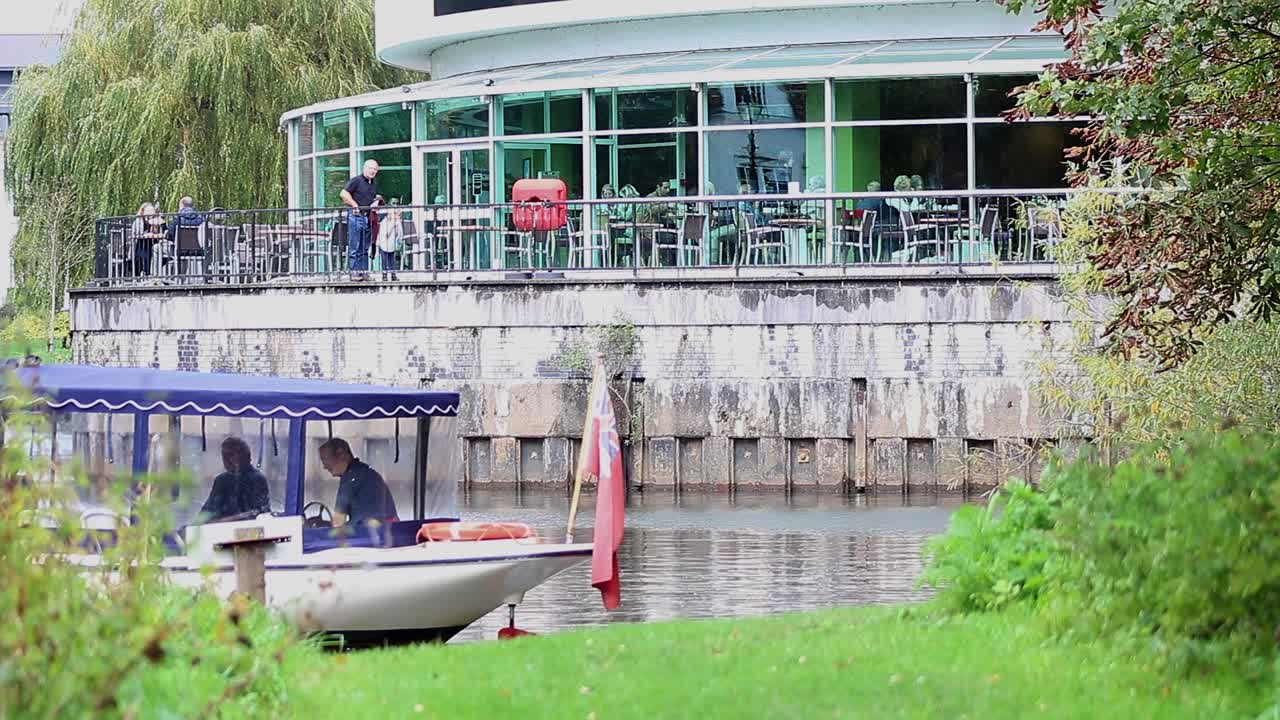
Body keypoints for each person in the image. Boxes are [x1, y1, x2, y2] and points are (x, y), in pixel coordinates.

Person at [318, 438, 397, 528]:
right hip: (388, 531)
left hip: (371, 535)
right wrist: (325, 524)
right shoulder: (363, 472)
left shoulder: (351, 477)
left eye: (324, 459)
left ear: (341, 454)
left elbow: (338, 522)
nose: (324, 466)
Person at [198, 437, 271, 523]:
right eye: (225, 456)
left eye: (233, 455)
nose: (229, 460)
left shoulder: (257, 479)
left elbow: (259, 513)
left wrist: (224, 520)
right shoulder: (221, 480)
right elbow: (208, 510)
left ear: (247, 457)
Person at [340, 159, 380, 282]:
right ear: (365, 168)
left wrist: (376, 201)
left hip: (367, 216)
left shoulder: (372, 184)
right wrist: (354, 205)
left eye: (375, 169)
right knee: (355, 245)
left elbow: (371, 198)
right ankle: (354, 273)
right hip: (356, 216)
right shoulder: (357, 180)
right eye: (371, 168)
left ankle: (363, 272)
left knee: (364, 246)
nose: (372, 171)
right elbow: (343, 193)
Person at [130, 203, 165, 277]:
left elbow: (163, 232)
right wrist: (144, 235)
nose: (151, 212)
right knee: (144, 250)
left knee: (156, 250)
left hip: (154, 243)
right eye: (149, 210)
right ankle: (144, 272)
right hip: (142, 243)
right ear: (143, 211)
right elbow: (136, 234)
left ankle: (153, 273)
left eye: (152, 210)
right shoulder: (139, 220)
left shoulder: (156, 220)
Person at [376, 203, 404, 281]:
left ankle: (393, 274)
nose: (398, 217)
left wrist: (398, 229)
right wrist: (393, 226)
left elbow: (400, 234)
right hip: (384, 243)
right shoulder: (385, 222)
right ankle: (384, 274)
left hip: (392, 244)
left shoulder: (397, 222)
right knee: (384, 259)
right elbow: (386, 234)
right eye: (396, 214)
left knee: (392, 259)